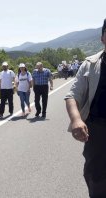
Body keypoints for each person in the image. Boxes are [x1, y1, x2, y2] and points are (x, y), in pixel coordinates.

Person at [64, 18, 106, 198]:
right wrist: (76, 119)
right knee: (96, 177)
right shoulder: (90, 64)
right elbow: (72, 95)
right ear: (103, 37)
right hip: (98, 130)